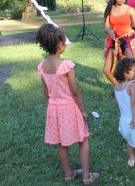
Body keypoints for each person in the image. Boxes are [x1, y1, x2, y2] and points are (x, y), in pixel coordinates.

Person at [36, 24, 99, 184]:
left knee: (61, 144)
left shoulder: (42, 67)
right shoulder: (66, 65)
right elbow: (75, 91)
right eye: (64, 42)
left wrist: (54, 106)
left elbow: (46, 94)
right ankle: (86, 177)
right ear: (59, 45)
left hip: (54, 109)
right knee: (83, 140)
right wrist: (83, 111)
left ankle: (68, 174)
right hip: (70, 107)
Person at [103, 0, 135, 86]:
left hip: (128, 41)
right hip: (114, 41)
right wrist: (110, 32)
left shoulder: (130, 10)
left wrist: (133, 38)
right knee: (106, 70)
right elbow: (106, 27)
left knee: (131, 69)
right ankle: (121, 89)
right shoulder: (109, 9)